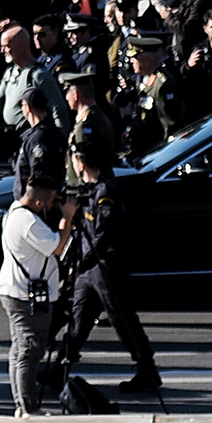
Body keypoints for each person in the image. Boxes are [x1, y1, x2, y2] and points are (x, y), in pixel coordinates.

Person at [61, 140, 162, 392]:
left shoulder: (105, 193)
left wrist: (81, 262)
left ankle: (147, 369)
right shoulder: (90, 190)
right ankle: (60, 368)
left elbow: (102, 235)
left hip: (106, 267)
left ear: (81, 163)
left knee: (122, 319)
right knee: (79, 317)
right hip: (89, 268)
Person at [0, 178, 73, 417]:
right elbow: (57, 247)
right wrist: (68, 217)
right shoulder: (28, 221)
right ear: (38, 201)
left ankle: (21, 404)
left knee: (19, 350)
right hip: (24, 296)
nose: (53, 205)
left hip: (15, 290)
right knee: (29, 351)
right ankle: (28, 407)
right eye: (50, 201)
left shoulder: (15, 211)